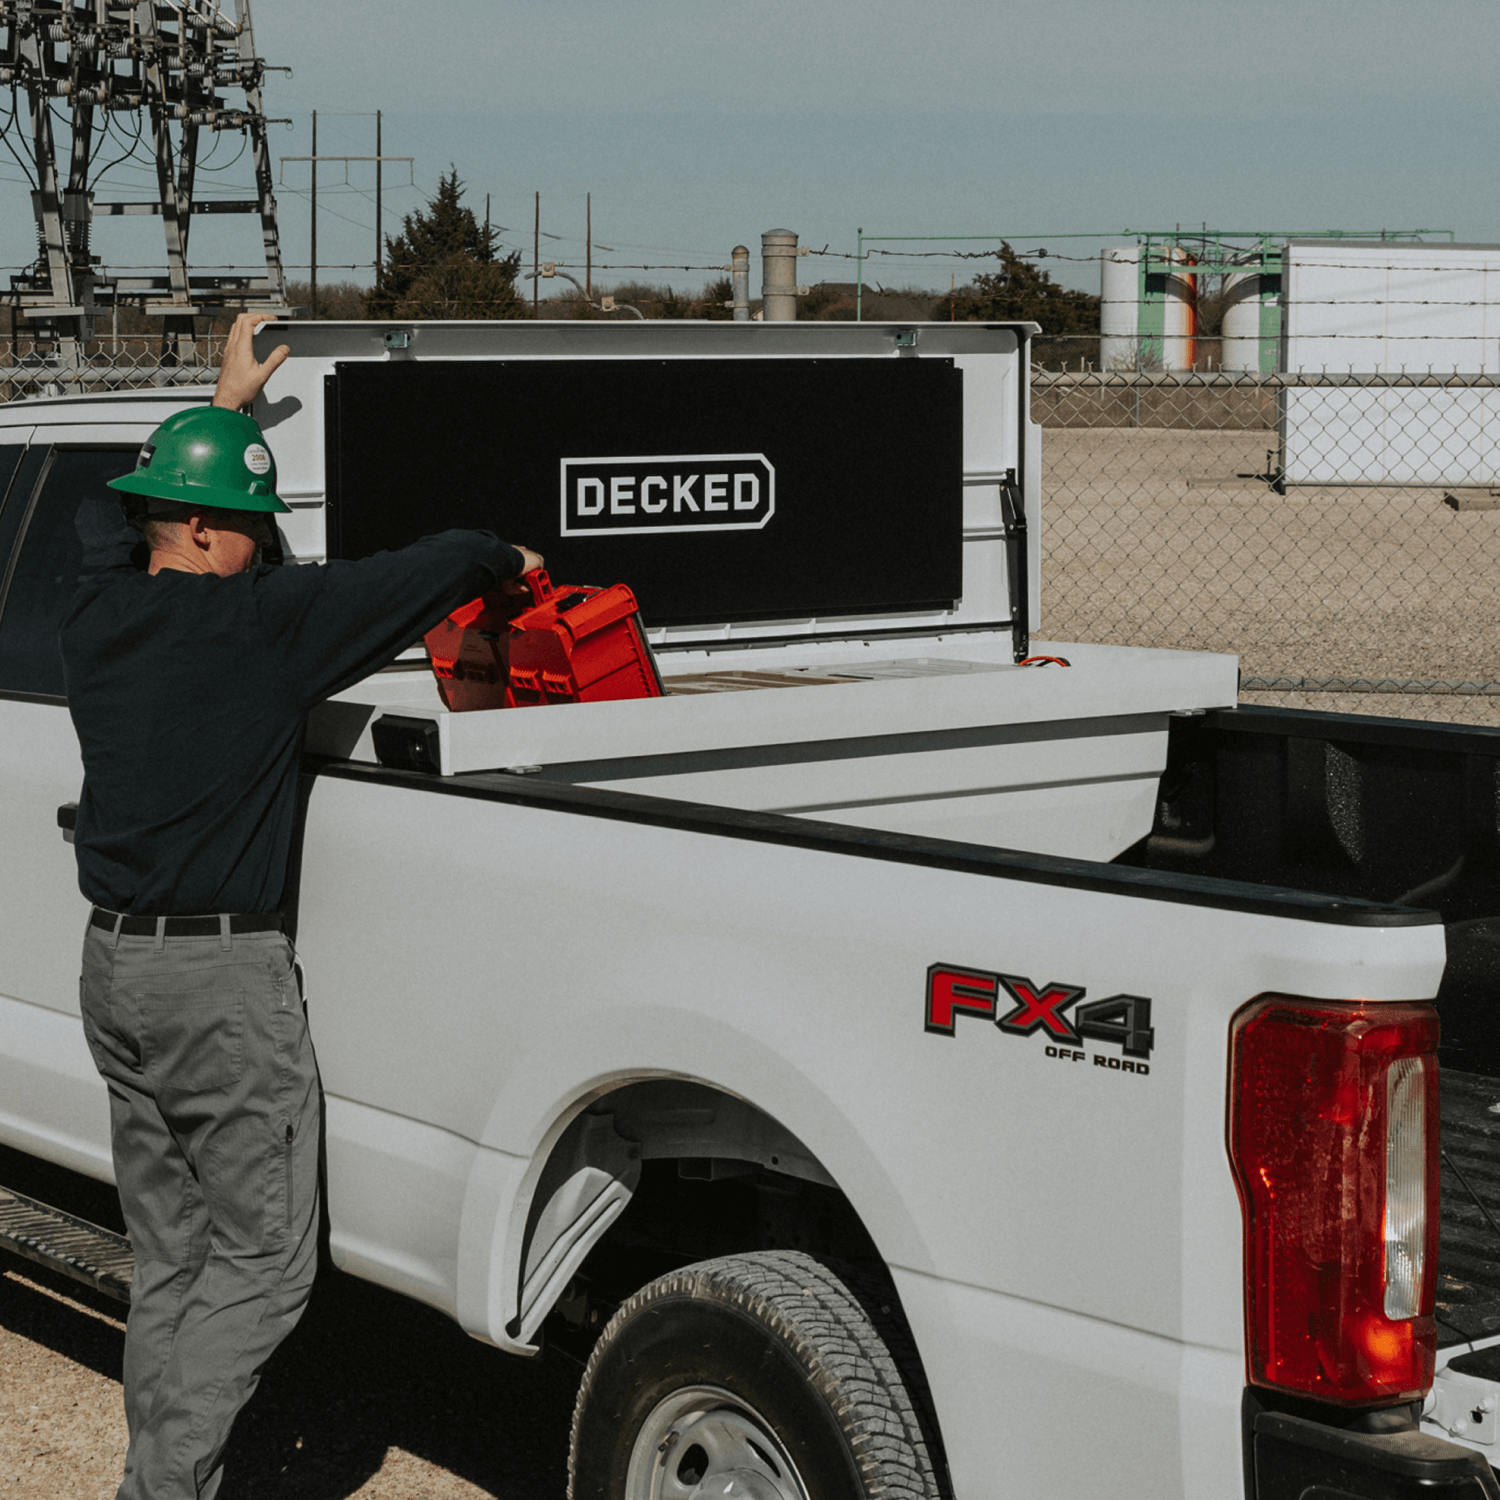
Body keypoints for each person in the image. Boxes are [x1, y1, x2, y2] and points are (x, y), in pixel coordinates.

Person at [60, 313, 542, 1500]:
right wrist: (505, 556)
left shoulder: (94, 620)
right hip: (218, 987)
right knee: (267, 1265)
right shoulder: (261, 631)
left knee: (172, 1254)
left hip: (114, 973)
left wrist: (219, 417)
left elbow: (95, 524)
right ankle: (160, 1491)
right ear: (214, 530)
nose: (268, 553)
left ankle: (166, 1475)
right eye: (255, 533)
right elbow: (422, 571)